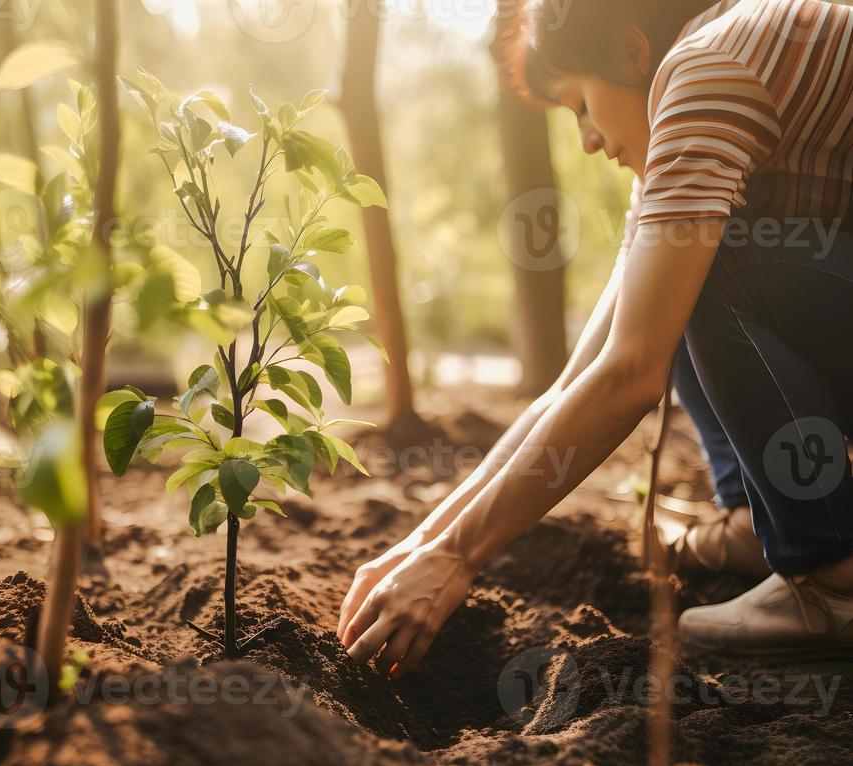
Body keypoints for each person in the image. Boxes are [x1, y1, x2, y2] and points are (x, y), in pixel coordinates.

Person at [339, 0, 853, 677]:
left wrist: (460, 559)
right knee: (683, 276)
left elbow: (633, 373)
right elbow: (575, 381)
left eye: (579, 104)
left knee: (709, 272)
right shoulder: (689, 115)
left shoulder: (708, 70)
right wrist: (424, 542)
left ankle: (833, 578)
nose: (584, 139)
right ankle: (757, 527)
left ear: (632, 53)